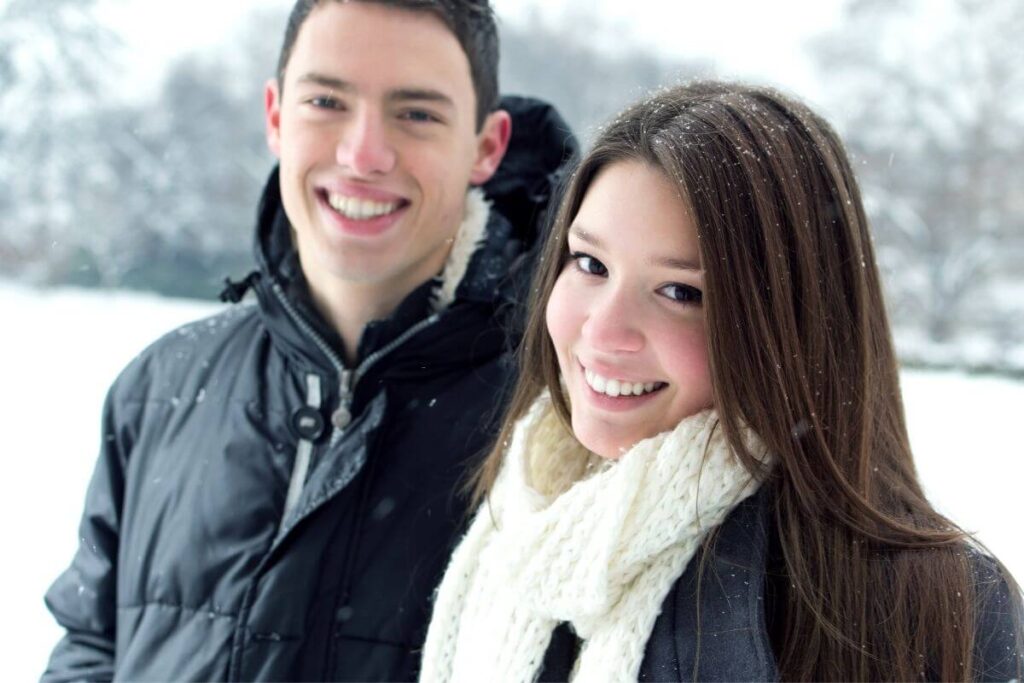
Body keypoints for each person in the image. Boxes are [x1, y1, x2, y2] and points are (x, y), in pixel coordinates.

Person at [42, 1, 577, 681]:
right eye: (327, 100)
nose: (363, 155)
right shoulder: (158, 389)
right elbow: (90, 643)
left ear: (487, 146)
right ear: (275, 115)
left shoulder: (560, 420)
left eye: (416, 113)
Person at [420, 81, 1024, 682]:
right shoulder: (510, 517)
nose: (603, 333)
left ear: (791, 327)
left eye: (681, 292)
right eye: (591, 264)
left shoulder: (925, 606)